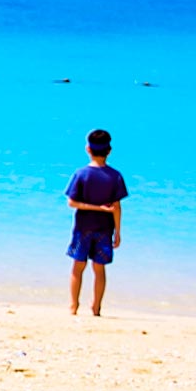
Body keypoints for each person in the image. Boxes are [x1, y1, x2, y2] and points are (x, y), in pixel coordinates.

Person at [65, 129, 128, 316]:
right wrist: (118, 231)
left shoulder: (81, 174)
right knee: (99, 269)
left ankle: (73, 306)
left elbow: (72, 202)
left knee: (78, 266)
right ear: (109, 150)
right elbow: (117, 207)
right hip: (104, 229)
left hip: (82, 228)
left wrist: (95, 208)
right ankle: (96, 308)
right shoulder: (115, 176)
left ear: (87, 149)